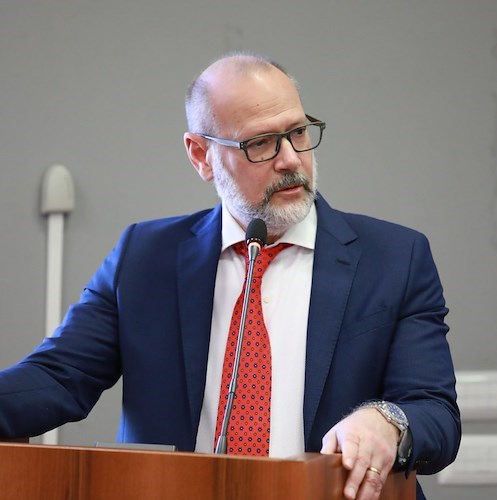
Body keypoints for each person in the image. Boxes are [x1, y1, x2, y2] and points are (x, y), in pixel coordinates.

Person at [0, 52, 460, 500]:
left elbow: (435, 413)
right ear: (200, 155)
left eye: (298, 132)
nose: (291, 160)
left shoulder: (395, 258)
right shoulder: (145, 256)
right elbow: (59, 378)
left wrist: (387, 421)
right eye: (260, 143)